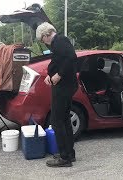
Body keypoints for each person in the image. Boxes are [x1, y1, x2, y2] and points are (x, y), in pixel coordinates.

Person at [36, 22, 78, 167]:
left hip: (63, 87)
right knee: (65, 120)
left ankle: (64, 158)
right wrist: (50, 74)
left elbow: (71, 57)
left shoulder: (59, 40)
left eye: (42, 39)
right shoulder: (58, 43)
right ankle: (70, 154)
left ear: (46, 34)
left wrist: (59, 75)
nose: (44, 42)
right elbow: (58, 61)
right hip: (66, 86)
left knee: (56, 121)